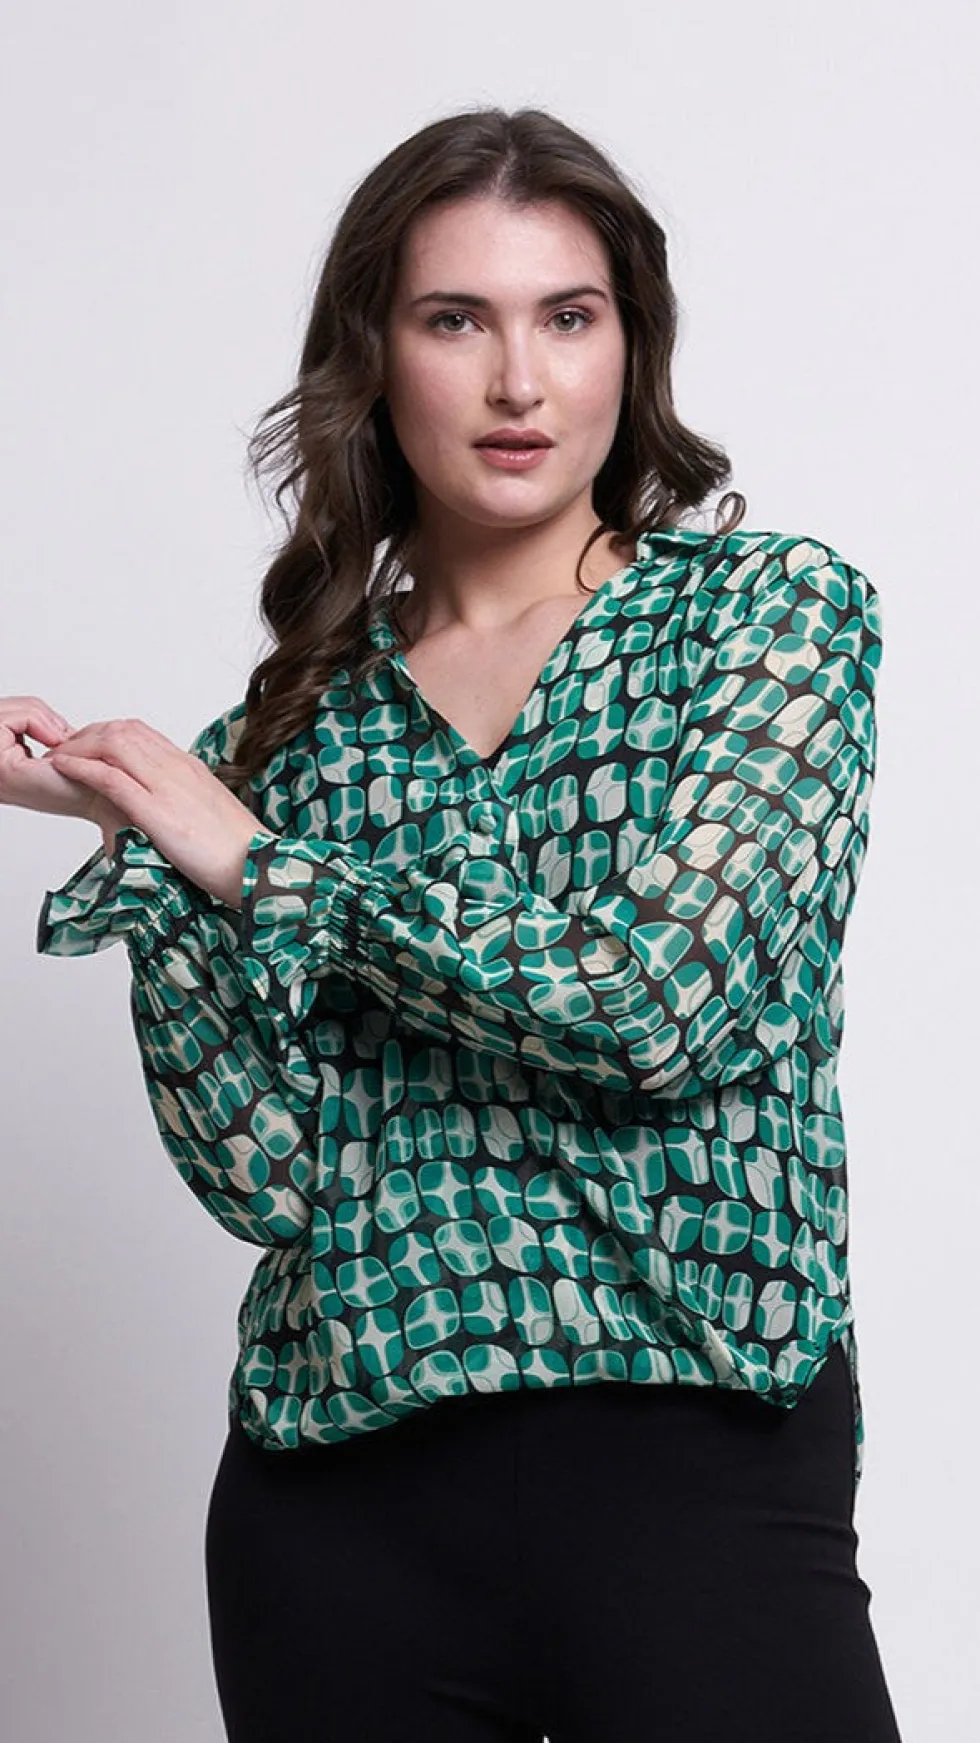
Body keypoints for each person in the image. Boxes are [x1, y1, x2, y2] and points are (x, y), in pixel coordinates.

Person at [7, 105, 903, 1743]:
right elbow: (269, 1172)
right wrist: (145, 834)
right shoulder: (291, 734)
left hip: (696, 1460)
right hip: (342, 1503)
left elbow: (652, 1004)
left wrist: (260, 869)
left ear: (632, 342)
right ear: (376, 354)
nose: (518, 381)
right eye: (454, 320)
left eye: (568, 316)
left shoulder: (763, 617)